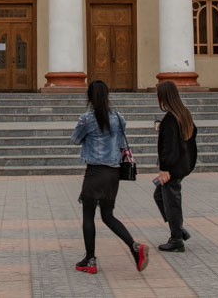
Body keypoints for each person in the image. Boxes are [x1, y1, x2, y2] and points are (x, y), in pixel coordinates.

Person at [70, 80, 149, 275]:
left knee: (88, 216)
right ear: (107, 96)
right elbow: (121, 142)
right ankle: (134, 246)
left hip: (95, 172)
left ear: (89, 97)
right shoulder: (118, 117)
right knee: (108, 215)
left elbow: (75, 139)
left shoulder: (86, 119)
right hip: (114, 173)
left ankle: (90, 259)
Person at [154, 80, 197, 252]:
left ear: (164, 97)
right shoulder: (183, 113)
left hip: (173, 167)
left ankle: (177, 239)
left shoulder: (171, 118)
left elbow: (169, 148)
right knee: (159, 195)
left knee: (172, 201)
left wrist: (164, 169)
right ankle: (178, 229)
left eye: (158, 95)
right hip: (182, 164)